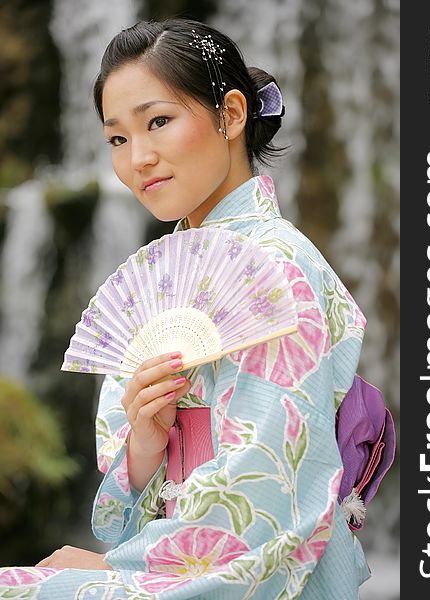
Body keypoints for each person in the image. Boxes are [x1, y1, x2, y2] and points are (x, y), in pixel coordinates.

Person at [0, 18, 373, 598]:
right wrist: (146, 446)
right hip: (182, 559)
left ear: (230, 114)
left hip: (259, 569)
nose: (138, 159)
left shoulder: (274, 271)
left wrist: (112, 569)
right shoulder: (172, 267)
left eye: (158, 122)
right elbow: (127, 511)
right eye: (118, 139)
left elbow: (264, 495)